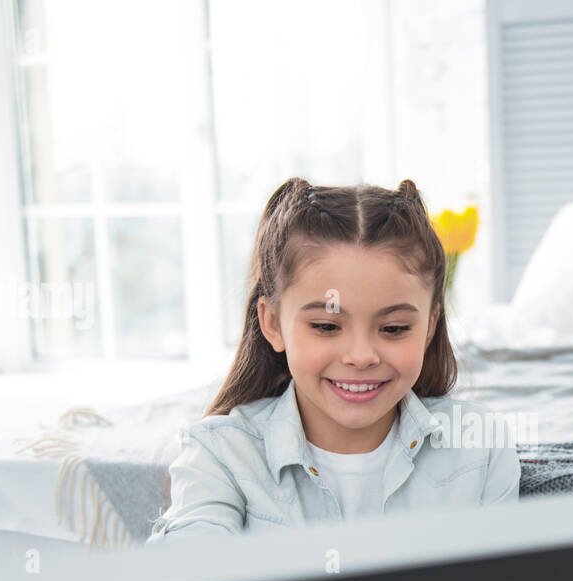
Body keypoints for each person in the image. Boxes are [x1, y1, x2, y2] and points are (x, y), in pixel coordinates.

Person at [147, 177, 520, 543]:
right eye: (326, 326)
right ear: (272, 324)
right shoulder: (220, 454)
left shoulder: (480, 447)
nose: (360, 357)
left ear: (429, 327)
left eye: (393, 329)